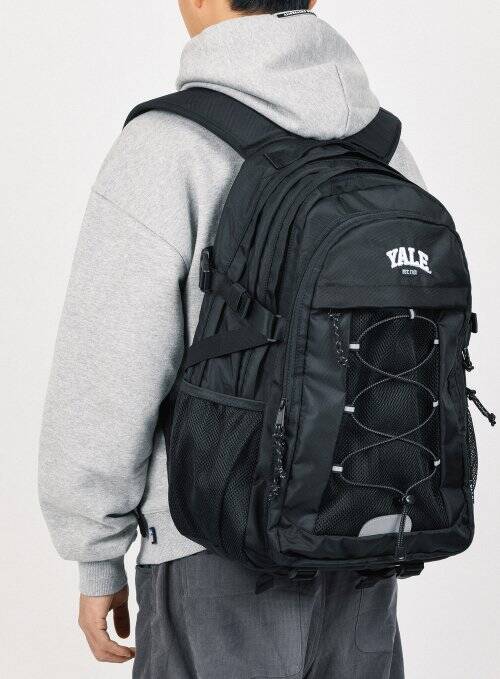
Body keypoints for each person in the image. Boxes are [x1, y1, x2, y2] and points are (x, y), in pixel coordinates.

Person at [39, 1, 425, 676]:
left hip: (210, 542)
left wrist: (95, 551)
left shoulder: (168, 143)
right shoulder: (383, 144)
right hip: (365, 538)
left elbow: (110, 365)